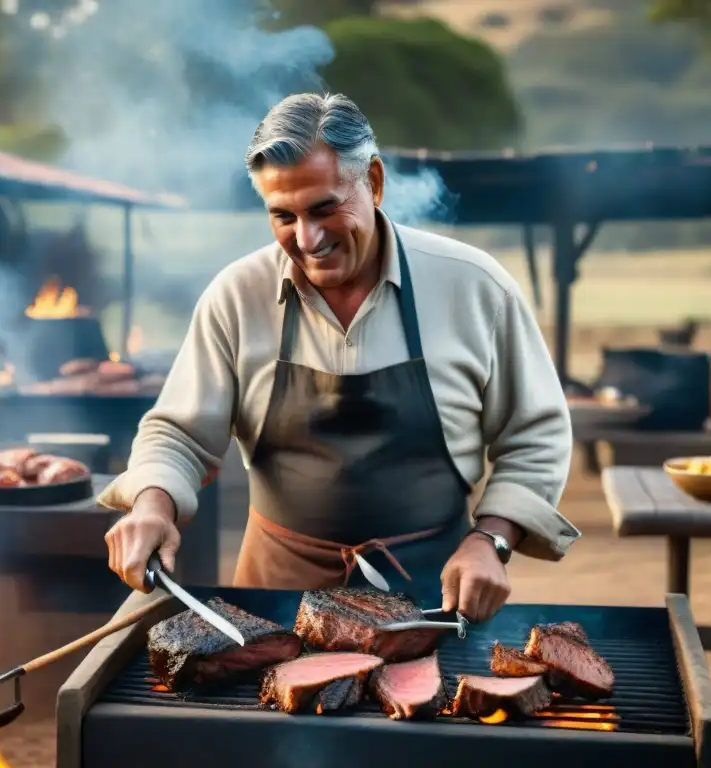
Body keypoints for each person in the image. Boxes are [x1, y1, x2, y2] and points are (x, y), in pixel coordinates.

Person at [100, 92, 579, 622]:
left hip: (433, 595)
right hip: (273, 601)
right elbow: (179, 435)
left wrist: (492, 539)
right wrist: (152, 504)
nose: (307, 239)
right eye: (283, 216)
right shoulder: (236, 296)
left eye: (325, 208)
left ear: (373, 182)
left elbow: (535, 433)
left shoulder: (474, 287)